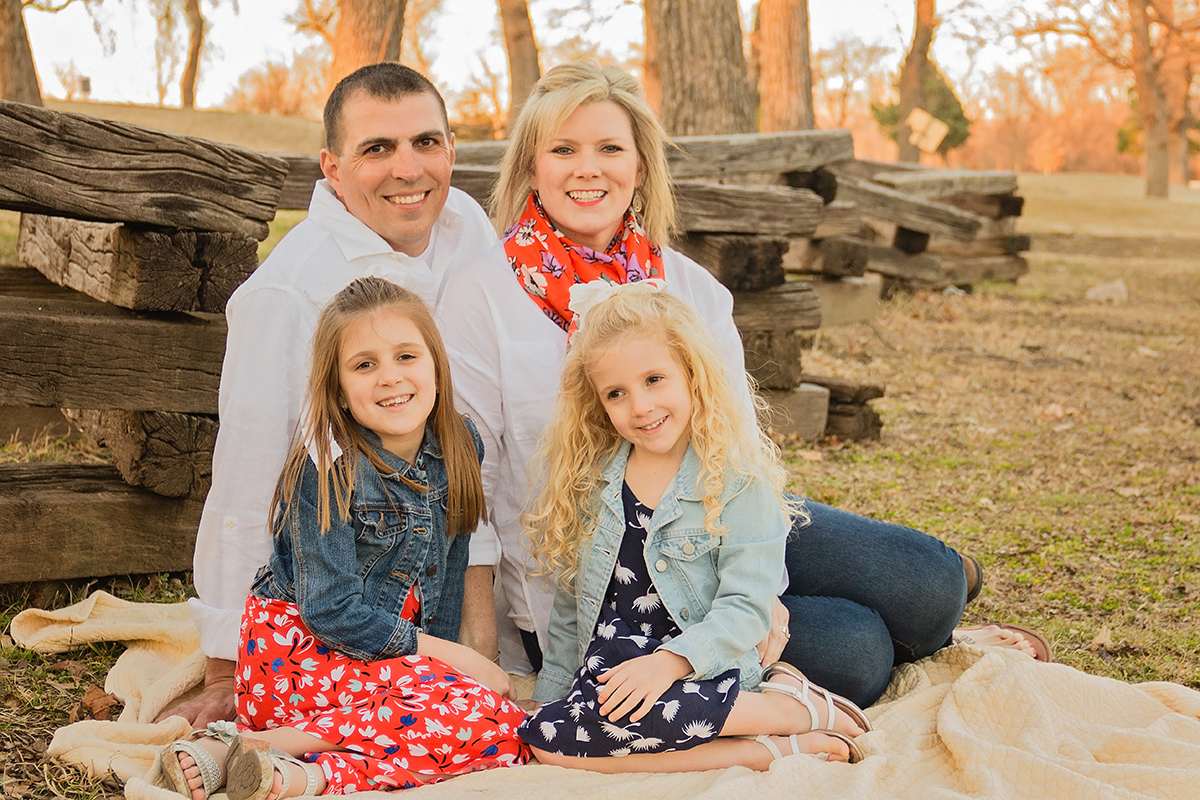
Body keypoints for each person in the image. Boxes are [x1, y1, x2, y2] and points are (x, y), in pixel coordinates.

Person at [437, 61, 1043, 711]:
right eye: (563, 149)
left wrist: (766, 596)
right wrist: (483, 647)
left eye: (610, 148)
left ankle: (945, 602)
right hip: (608, 591)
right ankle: (919, 636)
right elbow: (469, 489)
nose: (588, 168)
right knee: (857, 654)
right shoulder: (480, 295)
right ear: (532, 167)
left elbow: (738, 449)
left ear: (640, 165)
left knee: (928, 584)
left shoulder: (691, 289)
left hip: (722, 524)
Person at [162, 63, 499, 726]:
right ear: (332, 168)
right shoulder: (287, 297)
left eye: (426, 143)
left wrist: (478, 624)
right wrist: (227, 670)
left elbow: (469, 437)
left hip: (440, 571)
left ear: (452, 150)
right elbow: (247, 479)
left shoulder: (466, 227)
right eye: (377, 148)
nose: (408, 169)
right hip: (340, 596)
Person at [162, 278, 528, 800]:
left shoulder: (460, 443)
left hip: (380, 663)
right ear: (337, 387)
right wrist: (451, 658)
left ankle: (301, 773)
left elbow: (448, 568)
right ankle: (260, 742)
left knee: (502, 726)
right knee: (484, 714)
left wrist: (446, 662)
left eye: (406, 356)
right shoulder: (326, 466)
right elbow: (330, 610)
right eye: (364, 365)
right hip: (300, 654)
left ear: (436, 367)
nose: (390, 379)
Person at [516, 280, 867, 772]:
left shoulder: (737, 485)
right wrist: (552, 693)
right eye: (617, 393)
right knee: (545, 741)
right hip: (614, 666)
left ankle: (783, 710)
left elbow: (747, 608)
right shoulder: (596, 483)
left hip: (701, 666)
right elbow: (574, 606)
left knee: (656, 715)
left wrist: (669, 663)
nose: (640, 406)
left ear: (692, 374)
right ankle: (769, 745)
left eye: (655, 379)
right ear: (597, 403)